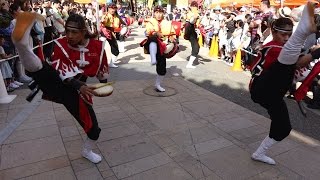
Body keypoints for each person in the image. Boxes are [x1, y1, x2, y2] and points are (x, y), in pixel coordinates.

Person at [12, 12, 110, 164]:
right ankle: (22, 45)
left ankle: (86, 150)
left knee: (94, 130)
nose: (69, 35)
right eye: (67, 30)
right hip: (59, 84)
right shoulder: (61, 44)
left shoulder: (98, 47)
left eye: (74, 32)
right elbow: (62, 72)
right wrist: (80, 85)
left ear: (84, 32)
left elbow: (103, 80)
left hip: (77, 95)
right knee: (43, 70)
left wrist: (103, 87)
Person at [249, 2, 320, 165]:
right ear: (274, 32)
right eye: (283, 35)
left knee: (283, 127)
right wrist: (316, 52)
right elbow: (299, 63)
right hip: (263, 88)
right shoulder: (274, 47)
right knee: (286, 64)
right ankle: (303, 31)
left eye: (290, 35)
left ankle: (259, 153)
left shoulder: (278, 47)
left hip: (273, 93)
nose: (286, 38)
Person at [140, 5, 176, 92]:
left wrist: (172, 38)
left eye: (160, 12)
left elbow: (172, 34)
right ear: (154, 13)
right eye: (157, 12)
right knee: (153, 37)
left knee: (162, 69)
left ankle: (158, 84)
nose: (159, 14)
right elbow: (149, 32)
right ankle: (153, 58)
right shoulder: (150, 22)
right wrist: (156, 33)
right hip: (152, 44)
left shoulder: (167, 23)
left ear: (163, 13)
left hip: (162, 47)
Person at [100, 3, 125, 67]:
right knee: (102, 47)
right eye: (111, 8)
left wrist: (125, 25)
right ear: (108, 9)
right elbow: (104, 21)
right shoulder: (106, 15)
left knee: (115, 48)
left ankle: (111, 62)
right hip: (104, 32)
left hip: (112, 32)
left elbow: (122, 22)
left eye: (114, 8)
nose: (113, 10)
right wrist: (103, 21)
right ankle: (106, 62)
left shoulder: (116, 15)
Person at [184, 1, 200, 69]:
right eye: (193, 6)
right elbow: (191, 21)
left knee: (196, 47)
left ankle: (190, 63)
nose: (194, 7)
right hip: (189, 29)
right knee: (196, 47)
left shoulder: (193, 13)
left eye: (195, 6)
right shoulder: (191, 13)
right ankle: (189, 64)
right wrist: (195, 16)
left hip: (192, 30)